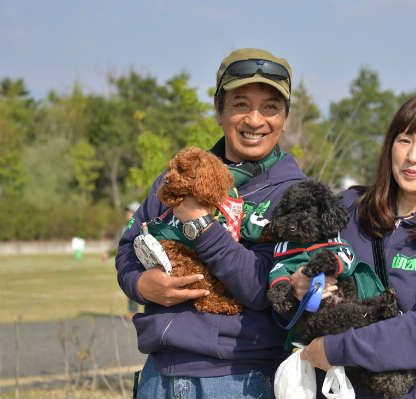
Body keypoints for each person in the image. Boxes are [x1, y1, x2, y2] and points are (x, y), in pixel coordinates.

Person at [115, 48, 306, 399]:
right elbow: (129, 246)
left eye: (270, 107)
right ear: (219, 110)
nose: (254, 120)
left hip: (241, 379)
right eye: (240, 104)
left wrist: (200, 224)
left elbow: (262, 289)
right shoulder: (180, 174)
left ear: (284, 118)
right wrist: (142, 285)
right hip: (158, 375)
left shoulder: (297, 196)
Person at [293, 93, 416, 398]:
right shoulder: (348, 207)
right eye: (405, 140)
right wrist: (302, 280)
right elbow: (298, 262)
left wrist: (335, 349)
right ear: (390, 145)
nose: (413, 156)